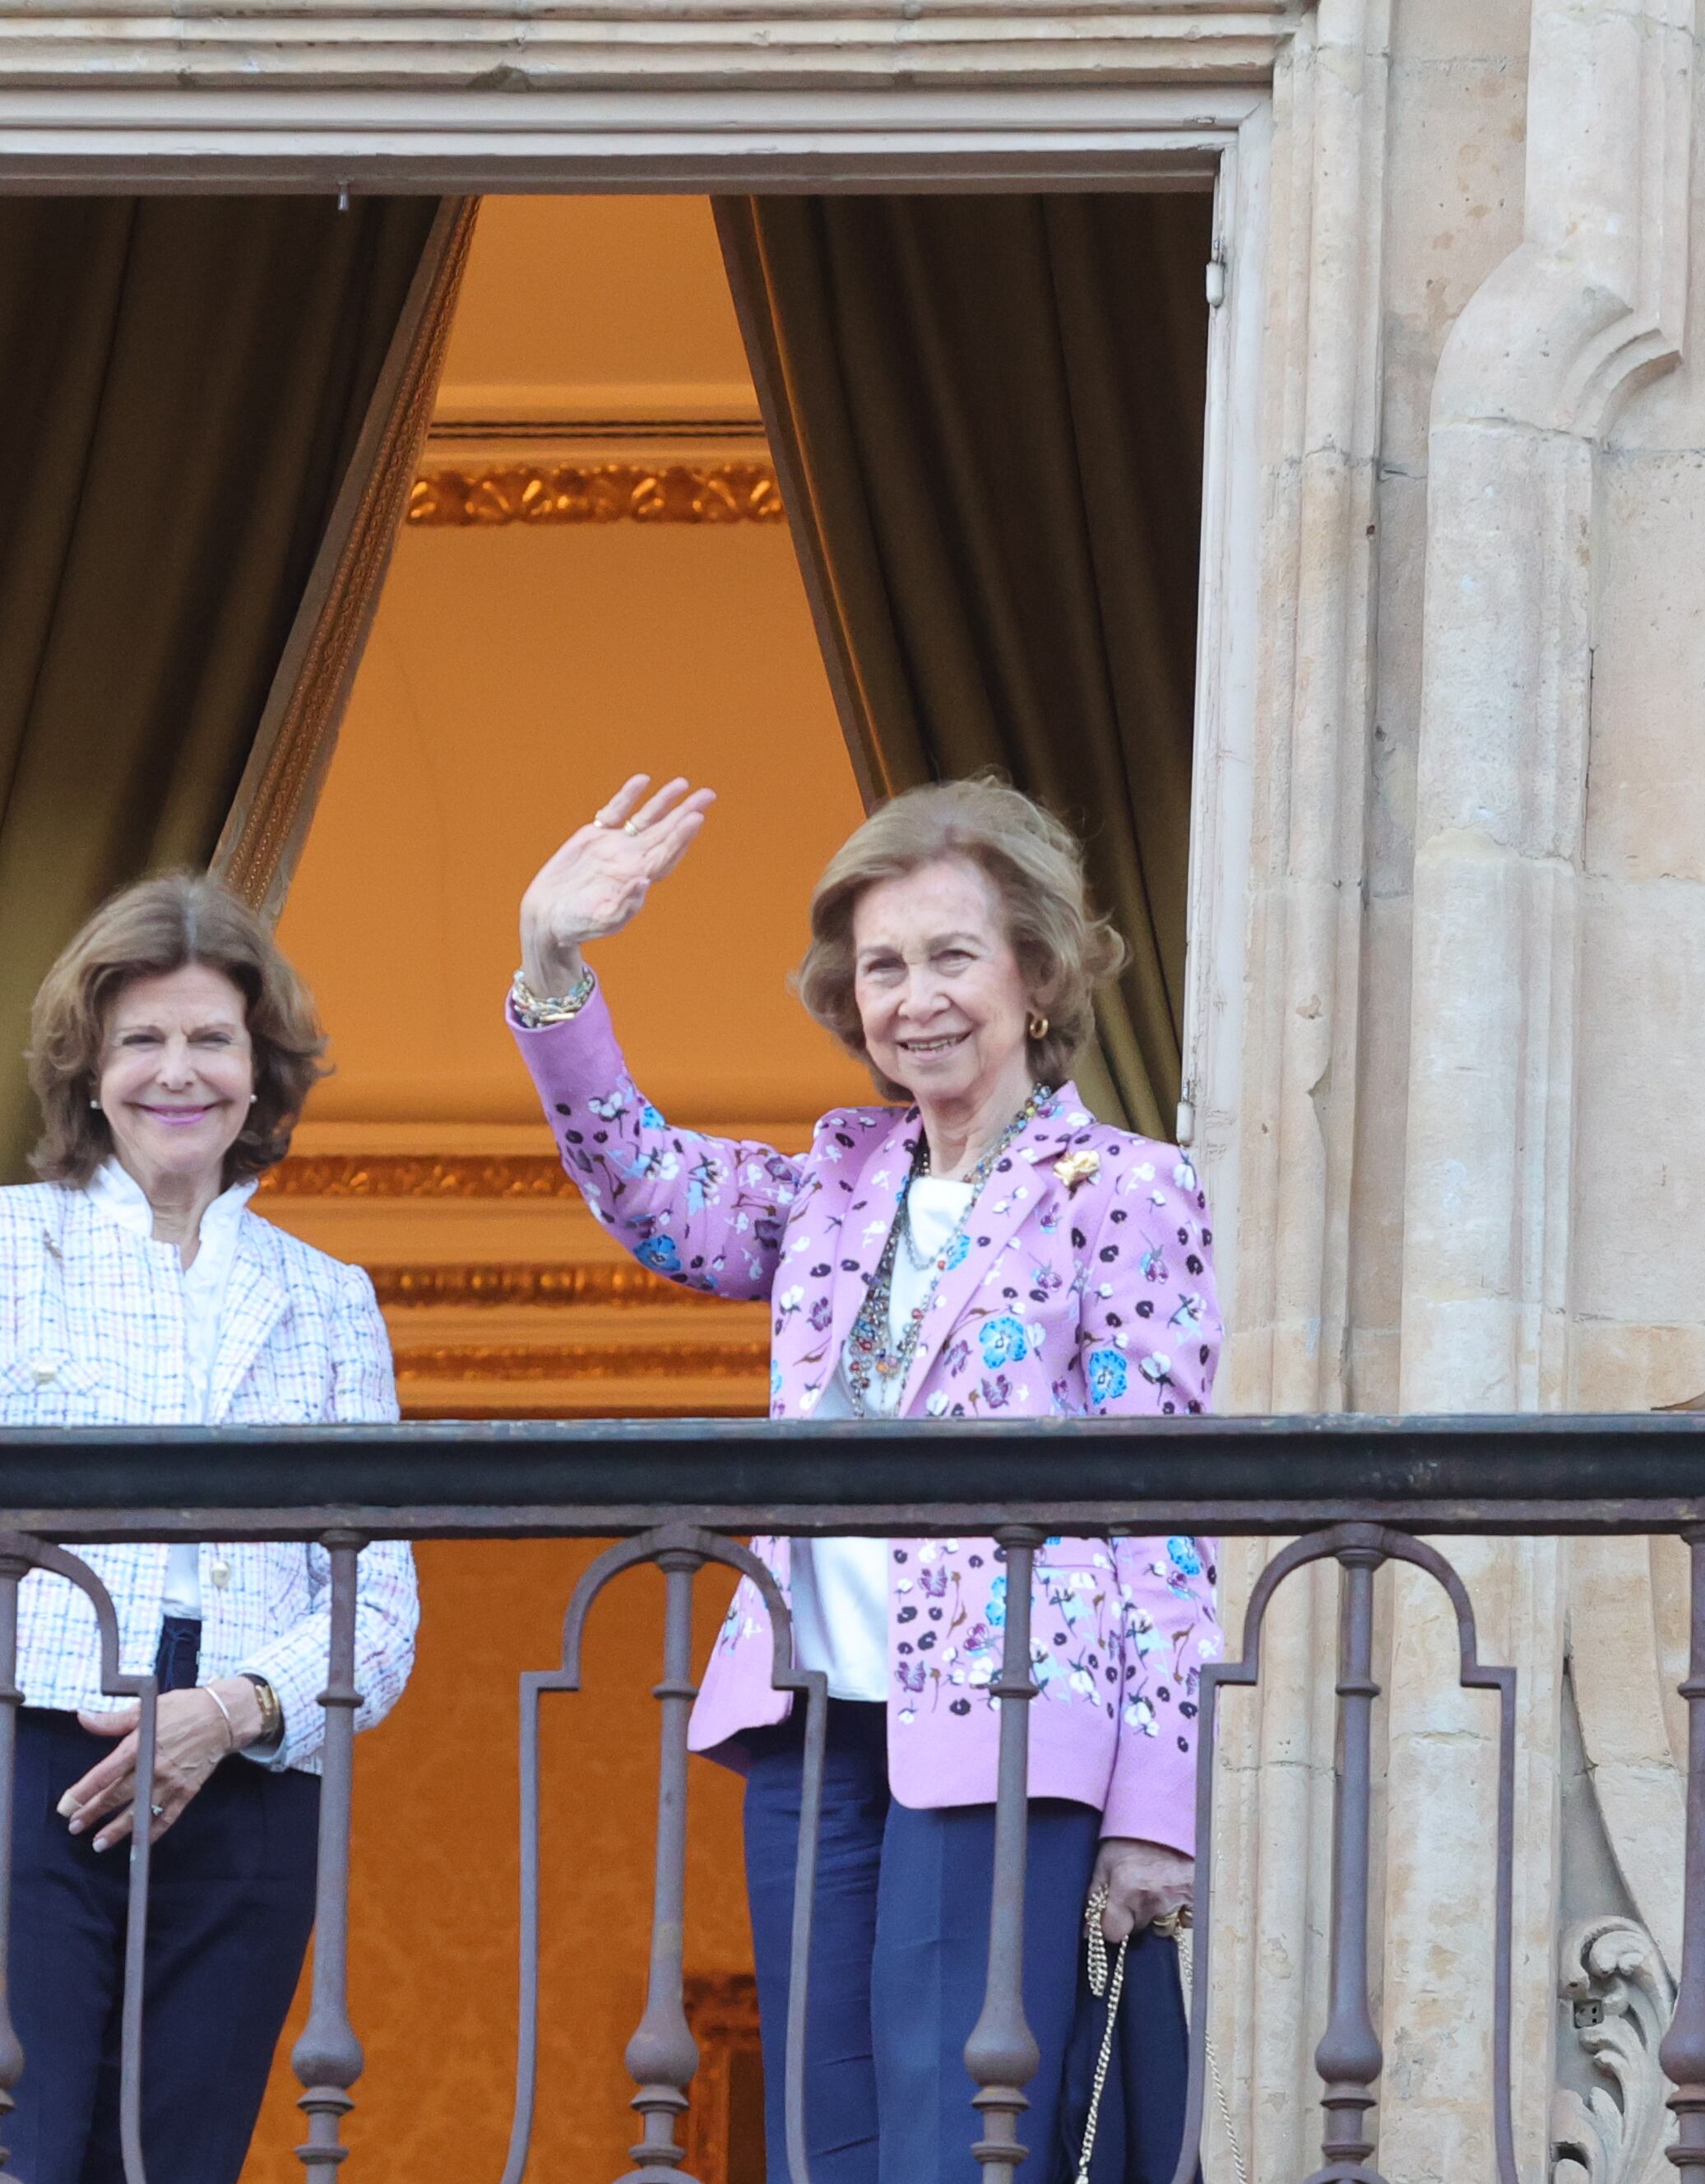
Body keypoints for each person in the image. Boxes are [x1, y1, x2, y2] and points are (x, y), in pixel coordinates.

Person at [508, 772, 1221, 2184]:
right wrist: (551, 963)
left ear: (1033, 970)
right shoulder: (834, 1180)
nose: (917, 998)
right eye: (882, 966)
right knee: (823, 2136)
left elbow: (1165, 1512)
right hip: (812, 1713)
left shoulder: (1126, 1189)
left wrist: (1155, 1806)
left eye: (952, 955)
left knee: (957, 2133)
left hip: (1010, 1720)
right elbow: (647, 1189)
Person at [0, 871, 417, 2184]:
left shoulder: (327, 1298)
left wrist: (228, 1710)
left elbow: (380, 1604)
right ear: (88, 1068)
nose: (175, 1072)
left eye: (209, 1040)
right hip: (15, 1748)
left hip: (239, 1783)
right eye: (141, 1041)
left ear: (258, 1071)